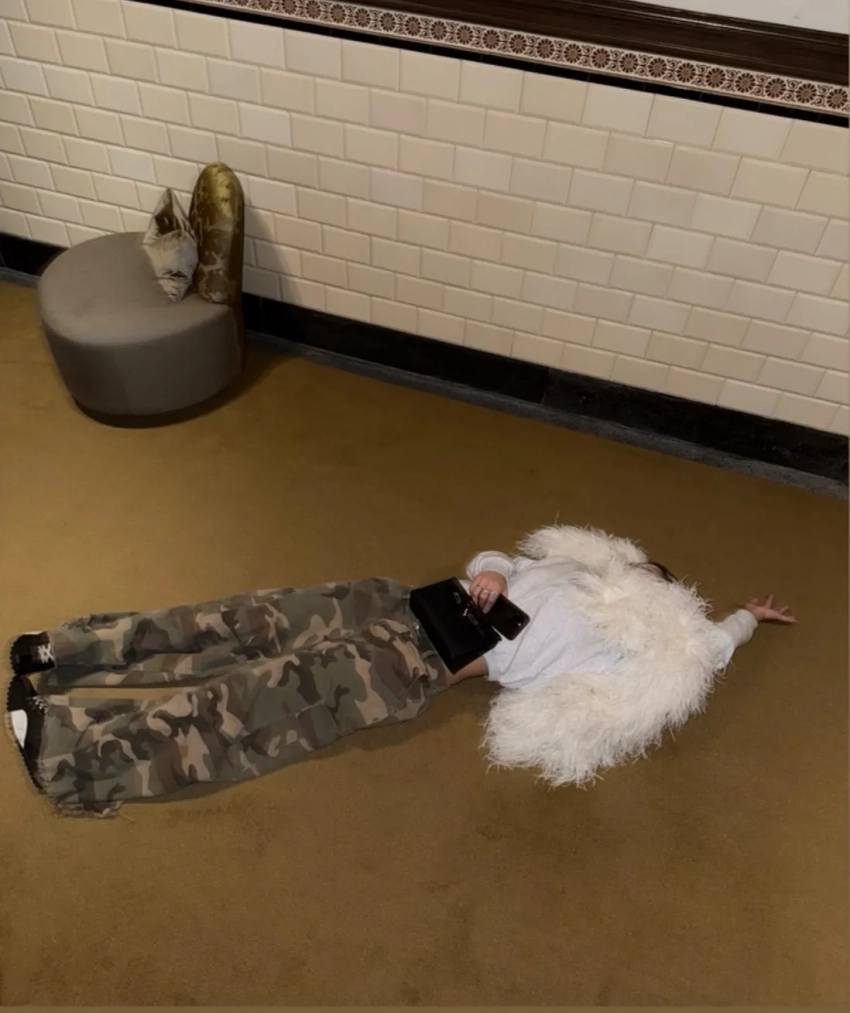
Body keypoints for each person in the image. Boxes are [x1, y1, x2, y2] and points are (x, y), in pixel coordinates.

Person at [6, 524, 794, 816]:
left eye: (656, 577)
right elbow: (495, 553)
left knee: (248, 703)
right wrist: (493, 570)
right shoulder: (576, 563)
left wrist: (746, 619)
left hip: (415, 661)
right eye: (639, 561)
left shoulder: (640, 640)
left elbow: (703, 649)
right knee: (239, 619)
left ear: (667, 599)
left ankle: (71, 756)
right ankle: (72, 648)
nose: (641, 570)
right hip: (400, 599)